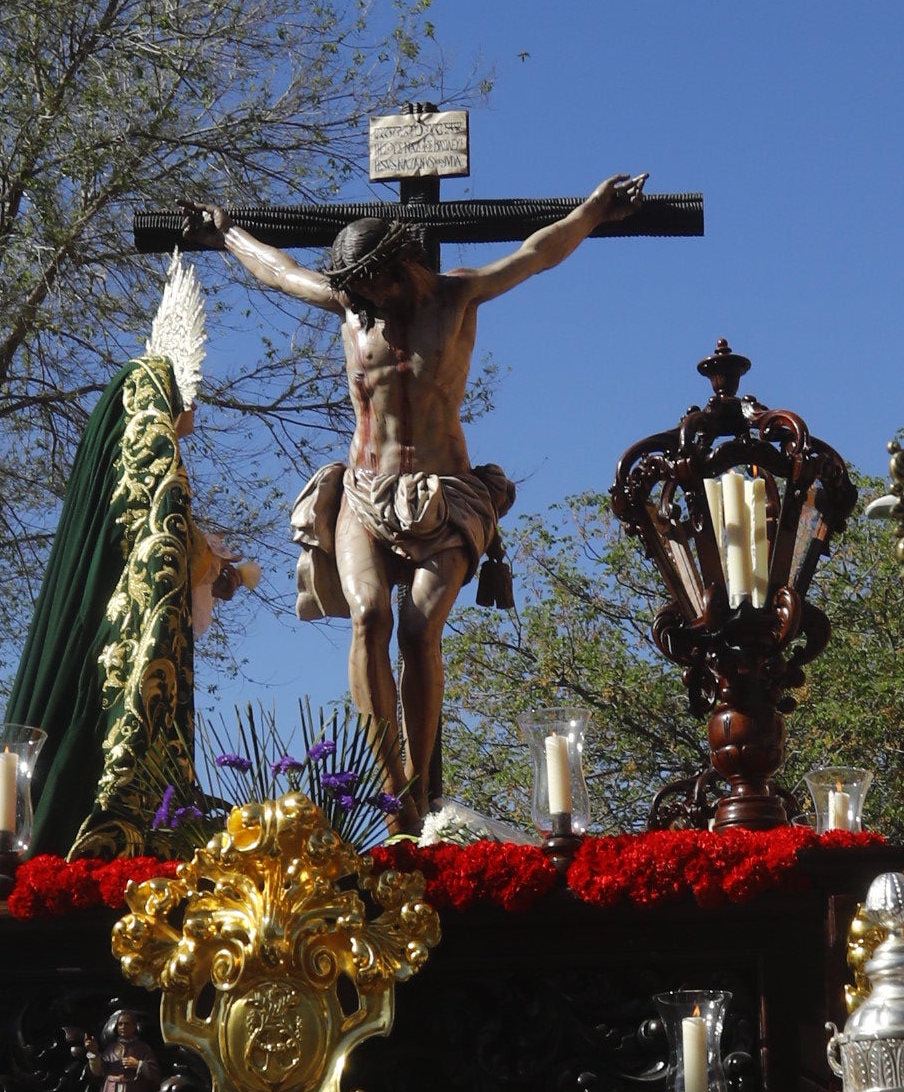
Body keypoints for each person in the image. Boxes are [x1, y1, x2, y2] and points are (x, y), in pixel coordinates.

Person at [185, 173, 646, 825]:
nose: (364, 302)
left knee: (419, 629)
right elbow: (282, 272)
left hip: (445, 495)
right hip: (364, 491)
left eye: (371, 285)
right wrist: (226, 233)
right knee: (369, 618)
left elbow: (537, 253)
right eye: (354, 291)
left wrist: (595, 209)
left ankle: (419, 791)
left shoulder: (458, 296)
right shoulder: (352, 308)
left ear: (398, 265)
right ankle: (390, 784)